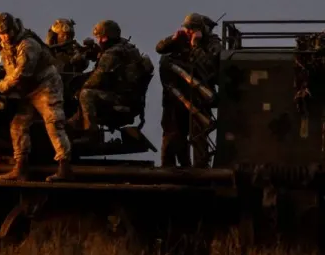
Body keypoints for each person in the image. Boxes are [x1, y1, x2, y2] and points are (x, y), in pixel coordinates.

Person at [0, 13, 74, 182]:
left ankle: (65, 168)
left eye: (7, 32)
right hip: (27, 90)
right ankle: (20, 168)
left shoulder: (28, 45)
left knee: (53, 122)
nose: (5, 36)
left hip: (45, 86)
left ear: (14, 29)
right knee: (18, 125)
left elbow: (20, 75)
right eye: (1, 34)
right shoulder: (7, 44)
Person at [155, 13, 221, 167]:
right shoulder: (181, 39)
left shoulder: (212, 43)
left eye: (192, 29)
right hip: (176, 96)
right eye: (188, 29)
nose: (189, 32)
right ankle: (172, 170)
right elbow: (160, 48)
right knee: (173, 134)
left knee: (198, 136)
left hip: (198, 97)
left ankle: (200, 171)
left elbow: (209, 67)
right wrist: (173, 39)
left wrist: (196, 45)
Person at [74, 20, 153, 140]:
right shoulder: (127, 48)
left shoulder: (112, 54)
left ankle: (91, 132)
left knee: (85, 93)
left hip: (121, 100)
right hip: (131, 99)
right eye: (98, 38)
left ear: (110, 37)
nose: (100, 41)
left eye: (103, 38)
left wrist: (78, 87)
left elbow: (96, 80)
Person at [46, 17, 91, 111]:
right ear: (55, 36)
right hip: (50, 92)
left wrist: (81, 58)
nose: (66, 38)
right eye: (63, 35)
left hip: (70, 91)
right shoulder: (46, 52)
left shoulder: (75, 49)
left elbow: (83, 65)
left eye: (69, 36)